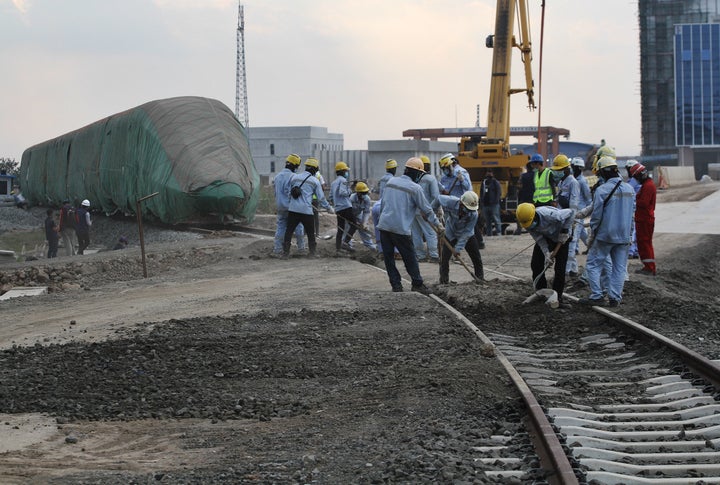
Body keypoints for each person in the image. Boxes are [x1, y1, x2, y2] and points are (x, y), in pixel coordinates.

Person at [377, 157, 441, 294]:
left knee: (389, 259)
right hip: (400, 229)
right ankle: (417, 283)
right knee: (410, 257)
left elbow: (383, 204)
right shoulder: (415, 188)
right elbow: (427, 209)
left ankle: (396, 286)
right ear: (417, 173)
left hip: (384, 226)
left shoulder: (391, 182)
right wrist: (438, 225)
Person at [580, 157, 635, 307]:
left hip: (605, 235)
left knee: (593, 265)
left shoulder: (602, 190)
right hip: (623, 236)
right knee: (619, 268)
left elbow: (596, 216)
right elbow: (632, 216)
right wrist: (630, 235)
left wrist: (592, 235)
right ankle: (614, 298)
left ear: (602, 172)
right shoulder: (629, 190)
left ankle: (597, 295)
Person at [516, 202, 574, 305]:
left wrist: (565, 231)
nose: (529, 226)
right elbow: (539, 240)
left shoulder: (550, 215)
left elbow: (571, 212)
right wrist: (546, 253)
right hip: (547, 237)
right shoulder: (527, 223)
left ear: (534, 216)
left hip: (562, 238)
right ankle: (542, 293)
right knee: (536, 264)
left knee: (560, 269)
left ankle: (557, 298)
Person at [283, 157, 333, 258]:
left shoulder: (294, 177)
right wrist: (329, 208)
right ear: (315, 169)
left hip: (293, 209)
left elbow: (288, 192)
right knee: (311, 232)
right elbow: (321, 198)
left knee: (289, 231)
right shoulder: (314, 181)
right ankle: (312, 253)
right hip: (306, 210)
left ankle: (285, 253)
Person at [438, 191, 484, 284]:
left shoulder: (473, 214)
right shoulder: (450, 201)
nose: (469, 212)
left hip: (467, 234)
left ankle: (480, 278)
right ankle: (444, 281)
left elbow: (467, 232)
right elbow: (437, 198)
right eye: (467, 209)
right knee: (444, 258)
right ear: (461, 203)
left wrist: (458, 248)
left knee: (476, 257)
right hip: (451, 233)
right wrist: (434, 211)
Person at [550, 155, 581, 277]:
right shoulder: (562, 182)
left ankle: (567, 273)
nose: (557, 173)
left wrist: (568, 225)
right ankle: (574, 270)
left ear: (566, 169)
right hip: (561, 219)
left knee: (569, 248)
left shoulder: (573, 183)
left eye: (559, 170)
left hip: (569, 220)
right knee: (565, 246)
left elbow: (573, 206)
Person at [272, 154, 306, 257]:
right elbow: (295, 193)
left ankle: (278, 249)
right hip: (292, 207)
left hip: (280, 206)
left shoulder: (277, 176)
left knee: (281, 227)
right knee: (299, 227)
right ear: (295, 165)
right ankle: (301, 249)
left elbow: (275, 193)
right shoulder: (294, 177)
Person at [629, 163, 657, 276]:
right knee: (644, 243)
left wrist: (633, 199)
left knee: (645, 243)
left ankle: (649, 267)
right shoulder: (647, 185)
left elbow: (644, 203)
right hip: (643, 219)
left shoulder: (648, 186)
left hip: (645, 219)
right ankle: (648, 266)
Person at [411, 155, 440, 262]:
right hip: (425, 212)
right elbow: (436, 197)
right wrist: (430, 210)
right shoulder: (431, 179)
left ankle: (420, 256)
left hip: (414, 211)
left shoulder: (414, 179)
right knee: (430, 233)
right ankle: (433, 255)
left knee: (416, 234)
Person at [342, 182, 376, 250]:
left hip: (358, 214)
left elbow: (366, 212)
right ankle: (346, 245)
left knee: (364, 229)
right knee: (348, 228)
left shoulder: (367, 199)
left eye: (365, 193)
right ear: (358, 193)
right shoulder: (351, 198)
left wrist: (364, 223)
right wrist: (354, 222)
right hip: (348, 214)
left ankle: (370, 245)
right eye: (362, 193)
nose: (364, 194)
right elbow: (349, 211)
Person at [331, 161, 354, 253]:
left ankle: (338, 249)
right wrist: (350, 191)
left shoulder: (333, 183)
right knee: (354, 224)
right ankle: (345, 242)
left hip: (338, 208)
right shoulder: (343, 181)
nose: (347, 173)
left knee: (340, 228)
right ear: (342, 171)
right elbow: (342, 192)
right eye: (346, 171)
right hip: (346, 207)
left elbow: (330, 197)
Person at [571, 157, 592, 254]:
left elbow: (587, 196)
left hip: (581, 210)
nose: (572, 169)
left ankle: (574, 249)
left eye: (574, 167)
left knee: (576, 231)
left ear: (579, 168)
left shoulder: (582, 181)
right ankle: (590, 246)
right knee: (581, 231)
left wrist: (588, 210)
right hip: (574, 209)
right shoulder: (572, 180)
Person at [625, 159, 641, 259]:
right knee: (635, 230)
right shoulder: (635, 181)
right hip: (636, 208)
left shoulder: (633, 182)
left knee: (632, 230)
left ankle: (631, 251)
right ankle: (635, 251)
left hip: (633, 208)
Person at [481, 170, 502, 236]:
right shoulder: (484, 183)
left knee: (496, 219)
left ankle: (499, 232)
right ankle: (489, 233)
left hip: (494, 205)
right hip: (485, 204)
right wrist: (482, 201)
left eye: (490, 172)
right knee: (487, 221)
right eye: (488, 173)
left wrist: (496, 201)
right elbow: (481, 192)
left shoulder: (496, 182)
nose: (489, 174)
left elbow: (499, 192)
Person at [311, 168, 327, 237]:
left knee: (307, 216)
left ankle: (307, 232)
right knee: (315, 217)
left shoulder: (307, 175)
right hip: (315, 199)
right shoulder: (319, 176)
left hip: (307, 199)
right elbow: (323, 187)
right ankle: (317, 233)